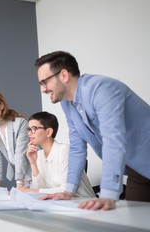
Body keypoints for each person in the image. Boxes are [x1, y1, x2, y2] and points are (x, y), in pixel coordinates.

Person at [34, 51, 150, 210]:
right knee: (136, 222)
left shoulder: (102, 88)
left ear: (64, 75)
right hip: (137, 169)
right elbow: (77, 147)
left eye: (44, 82)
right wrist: (68, 191)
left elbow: (113, 139)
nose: (42, 89)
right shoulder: (67, 103)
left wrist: (108, 194)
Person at [17, 112, 95, 198]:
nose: (29, 133)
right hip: (60, 203)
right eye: (29, 129)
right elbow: (38, 189)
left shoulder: (65, 150)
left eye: (34, 128)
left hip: (82, 203)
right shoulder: (38, 155)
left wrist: (28, 191)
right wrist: (33, 162)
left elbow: (67, 190)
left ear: (49, 132)